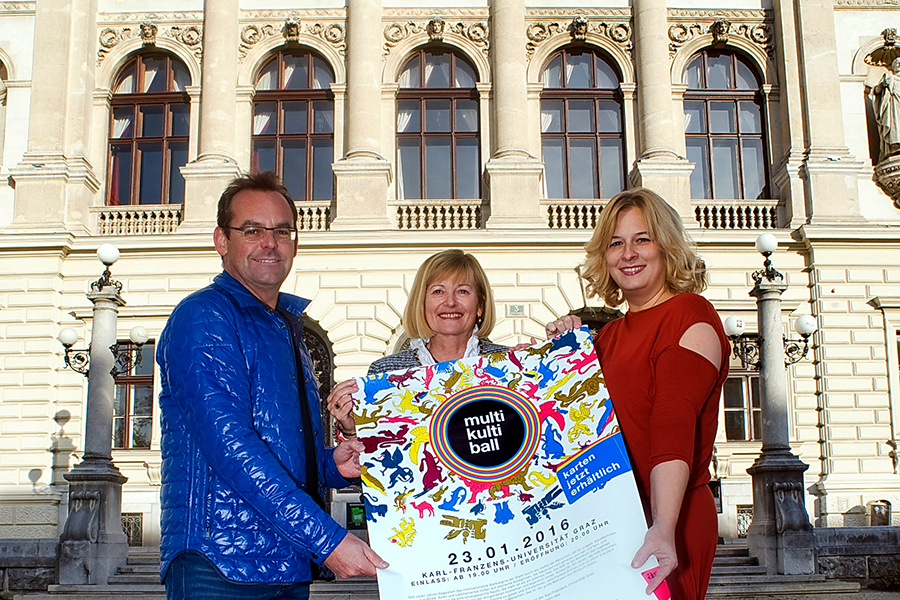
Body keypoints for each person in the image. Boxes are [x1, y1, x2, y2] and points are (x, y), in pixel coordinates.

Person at [156, 172, 387, 600]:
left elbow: (277, 448)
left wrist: (332, 464)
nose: (270, 243)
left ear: (295, 243)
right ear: (221, 241)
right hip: (221, 563)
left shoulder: (283, 325)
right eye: (252, 230)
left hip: (283, 560)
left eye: (282, 231)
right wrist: (327, 539)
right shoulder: (204, 318)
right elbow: (231, 446)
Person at [545, 188, 728, 600]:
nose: (628, 253)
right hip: (609, 518)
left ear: (666, 245)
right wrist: (559, 356)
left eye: (642, 239)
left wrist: (662, 526)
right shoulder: (608, 336)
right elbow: (575, 427)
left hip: (668, 518)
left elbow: (672, 421)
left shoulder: (690, 314)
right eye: (615, 242)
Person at [328, 249, 508, 436]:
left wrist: (538, 369)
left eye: (462, 291)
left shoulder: (508, 366)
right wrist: (351, 429)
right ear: (421, 304)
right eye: (438, 291)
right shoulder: (386, 372)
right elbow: (373, 454)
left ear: (480, 305)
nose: (451, 302)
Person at [872, 57, 900, 161]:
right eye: (896, 64)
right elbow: (875, 91)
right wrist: (883, 84)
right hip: (894, 107)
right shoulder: (889, 77)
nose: (899, 65)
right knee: (895, 123)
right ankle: (895, 146)